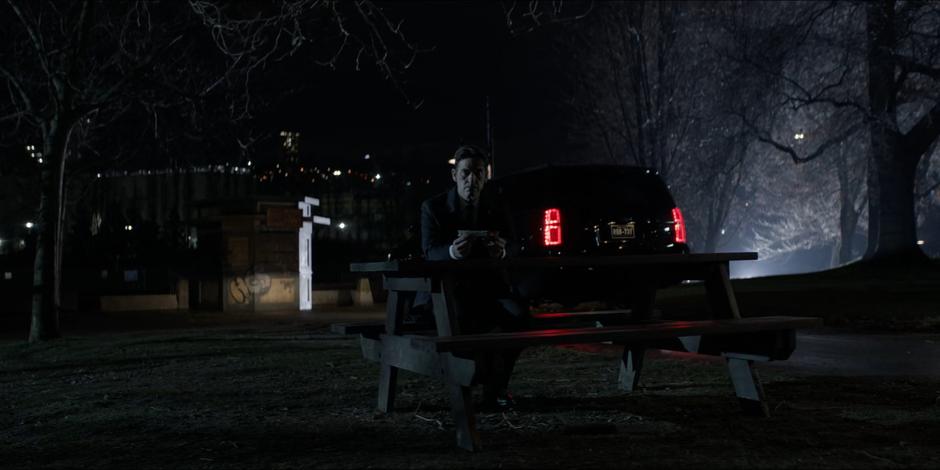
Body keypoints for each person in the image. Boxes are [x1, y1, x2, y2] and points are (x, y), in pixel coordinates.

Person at [419, 144, 527, 409]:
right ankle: (474, 384)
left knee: (522, 318)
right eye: (466, 173)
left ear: (486, 175)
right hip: (449, 290)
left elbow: (515, 244)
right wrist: (453, 253)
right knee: (463, 320)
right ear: (454, 175)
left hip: (490, 289)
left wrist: (501, 251)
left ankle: (497, 387)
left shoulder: (497, 205)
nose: (472, 180)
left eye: (478, 173)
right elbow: (429, 251)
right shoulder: (434, 208)